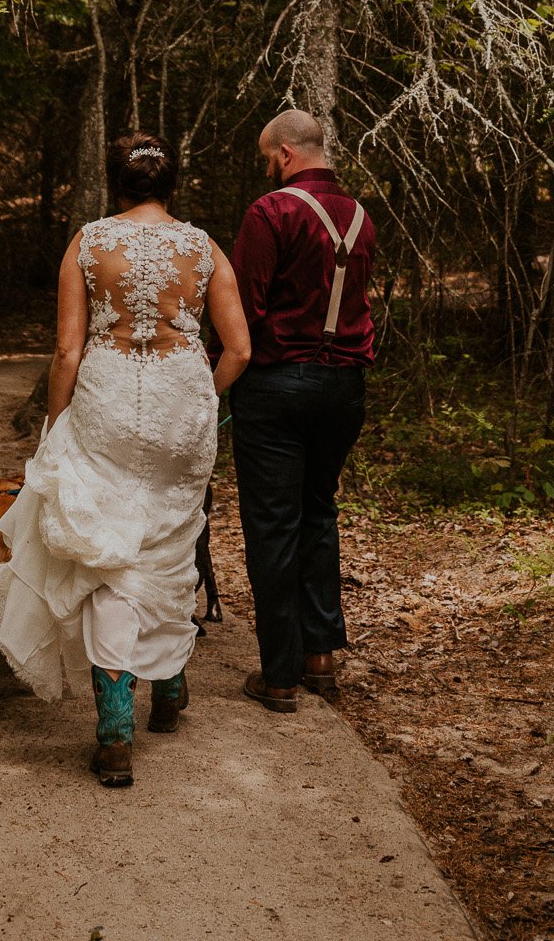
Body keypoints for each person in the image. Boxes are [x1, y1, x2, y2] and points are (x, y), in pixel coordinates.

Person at [0, 130, 252, 788]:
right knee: (168, 540)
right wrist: (198, 400)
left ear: (116, 183)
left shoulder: (89, 242)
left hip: (105, 401)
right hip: (179, 402)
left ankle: (112, 729)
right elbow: (240, 350)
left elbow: (68, 351)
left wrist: (54, 426)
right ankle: (168, 686)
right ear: (172, 183)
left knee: (110, 556)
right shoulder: (203, 247)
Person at [228, 108, 376, 713]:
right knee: (318, 510)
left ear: (286, 153)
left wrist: (215, 373)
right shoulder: (362, 217)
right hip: (344, 387)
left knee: (272, 523)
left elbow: (246, 307)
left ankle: (279, 673)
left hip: (277, 386)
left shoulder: (272, 211)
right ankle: (321, 656)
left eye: (268, 158)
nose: (268, 168)